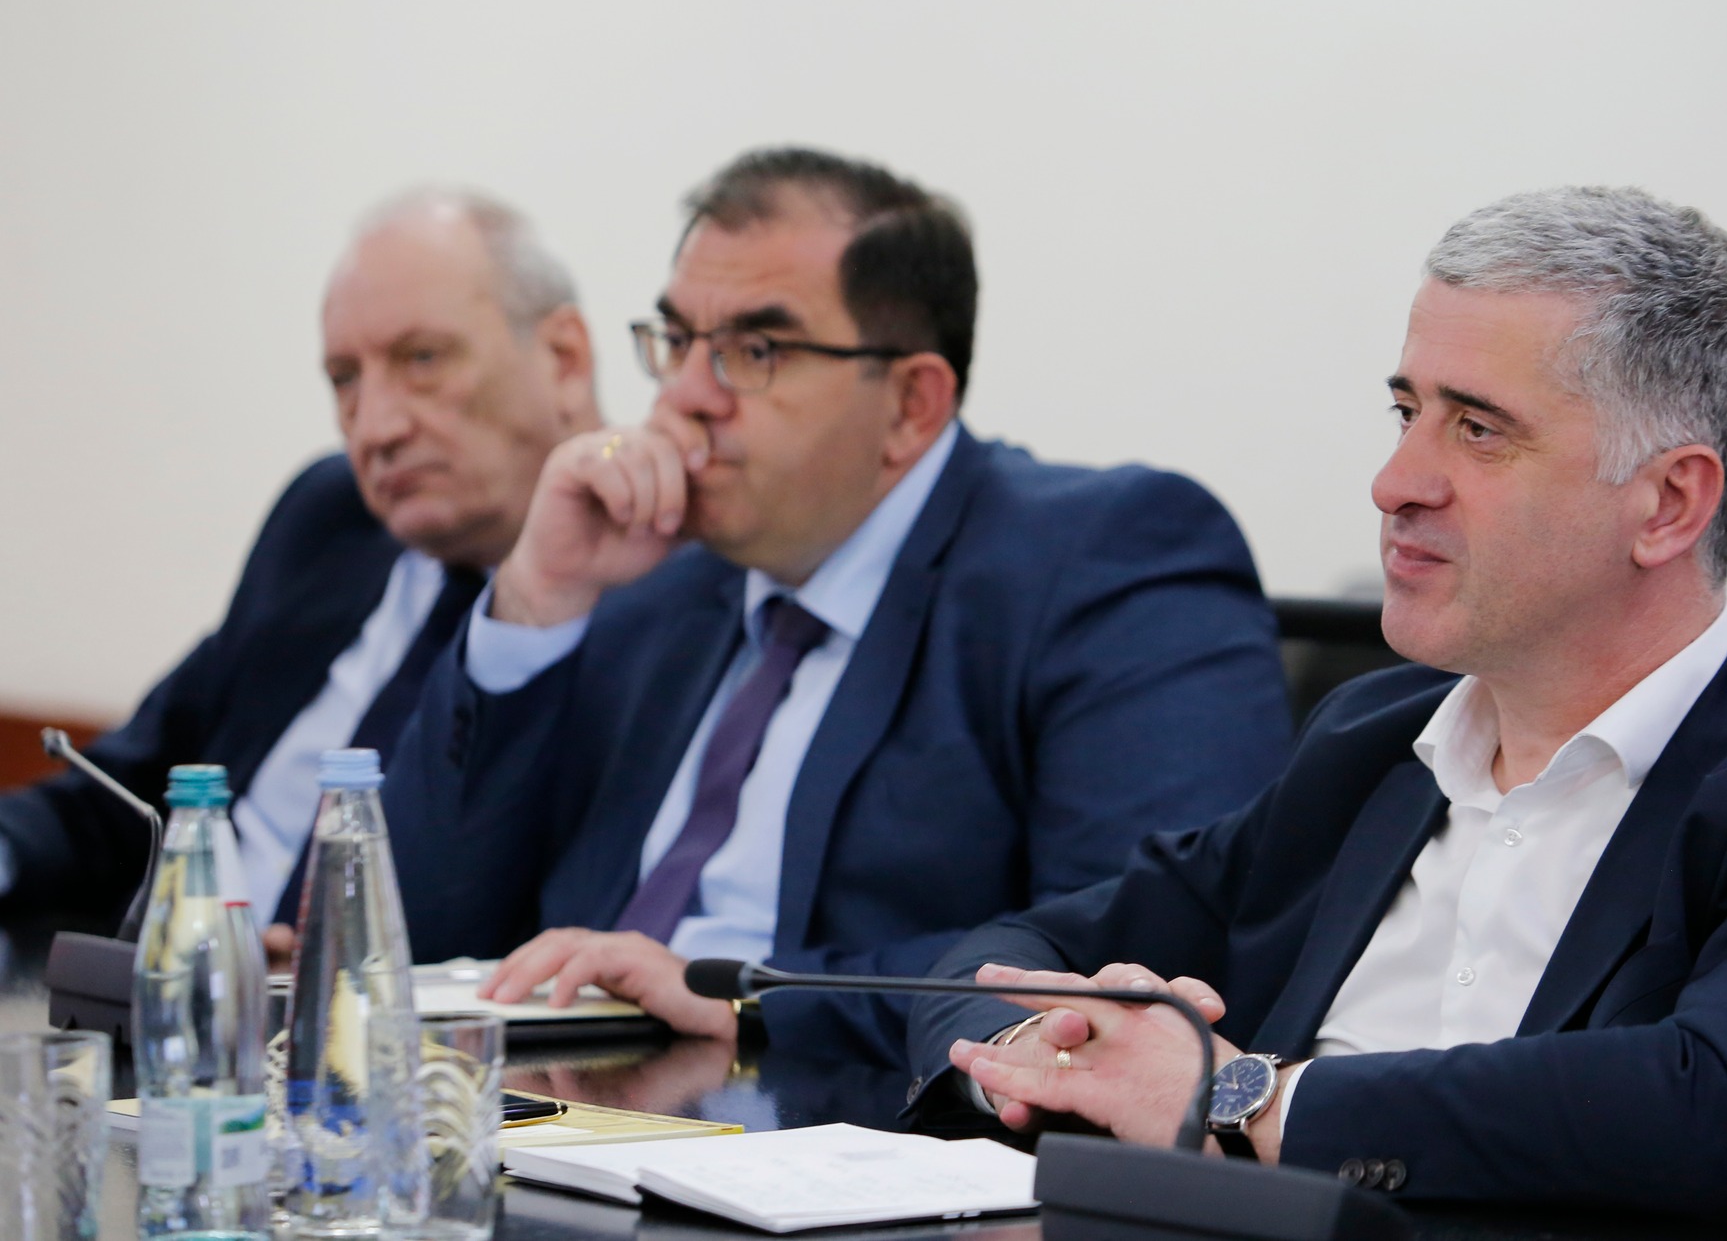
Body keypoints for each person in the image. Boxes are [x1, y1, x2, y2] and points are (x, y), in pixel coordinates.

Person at [911, 186, 1727, 1239]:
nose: (1395, 481)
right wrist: (1045, 1051)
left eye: (1477, 429)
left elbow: (1714, 1111)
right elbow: (1011, 951)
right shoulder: (1375, 743)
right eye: (1405, 412)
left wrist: (1244, 1099)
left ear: (1667, 503)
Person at [385, 147, 1293, 1065]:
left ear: (910, 404)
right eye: (677, 340)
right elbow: (412, 932)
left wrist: (746, 993)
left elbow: (1137, 960)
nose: (682, 395)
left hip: (838, 1121)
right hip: (557, 1103)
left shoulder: (1109, 560)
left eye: (754, 351)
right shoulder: (654, 583)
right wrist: (536, 596)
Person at [0, 191, 602, 944]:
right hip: (168, 986)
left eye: (422, 359)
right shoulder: (331, 519)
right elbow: (122, 791)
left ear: (564, 359)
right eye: (345, 378)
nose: (375, 427)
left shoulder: (662, 611)